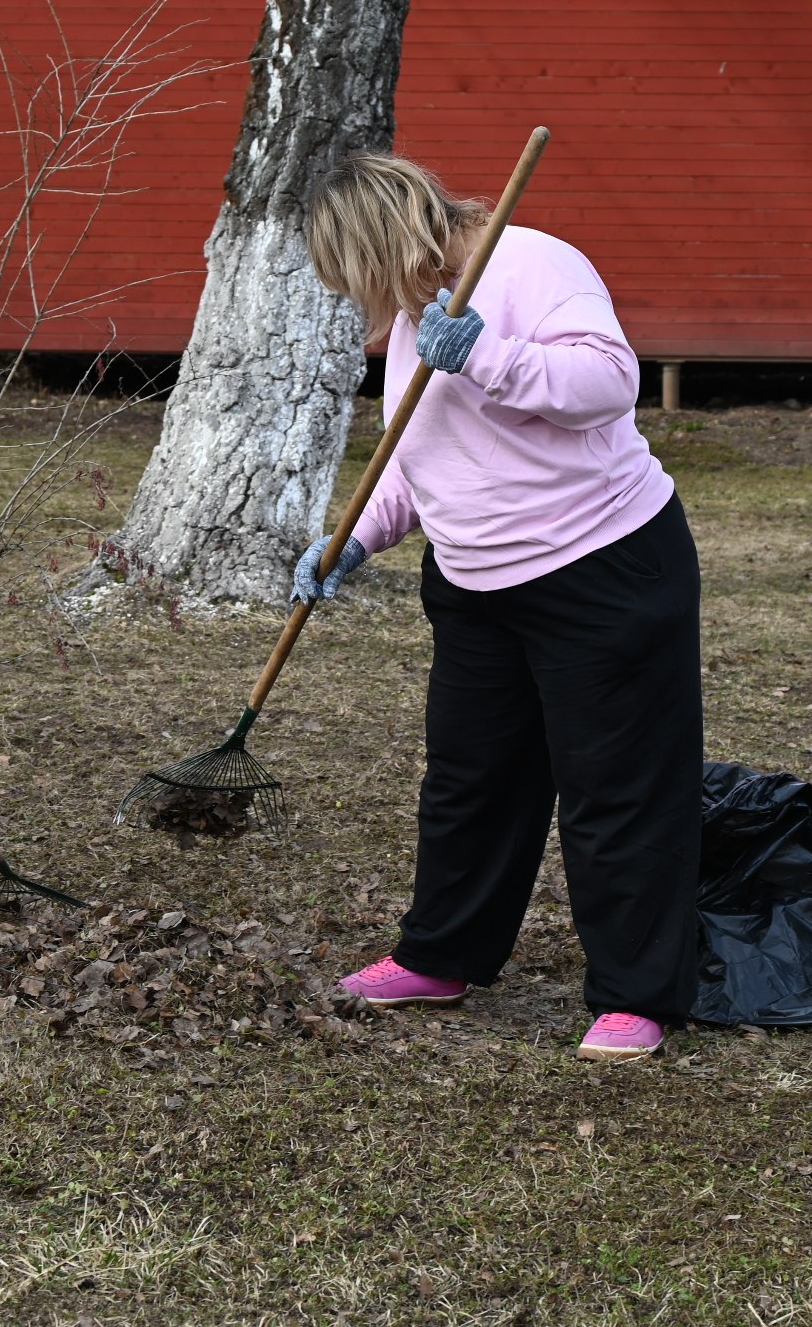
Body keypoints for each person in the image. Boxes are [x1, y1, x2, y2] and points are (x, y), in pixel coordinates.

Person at [297, 154, 705, 1062]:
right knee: (470, 780)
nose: (365, 303)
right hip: (476, 583)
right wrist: (355, 538)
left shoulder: (530, 262)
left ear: (387, 242)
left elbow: (608, 382)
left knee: (616, 787)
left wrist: (486, 354)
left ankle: (635, 994)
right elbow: (421, 452)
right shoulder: (421, 309)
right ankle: (440, 957)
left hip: (600, 567)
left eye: (359, 276)